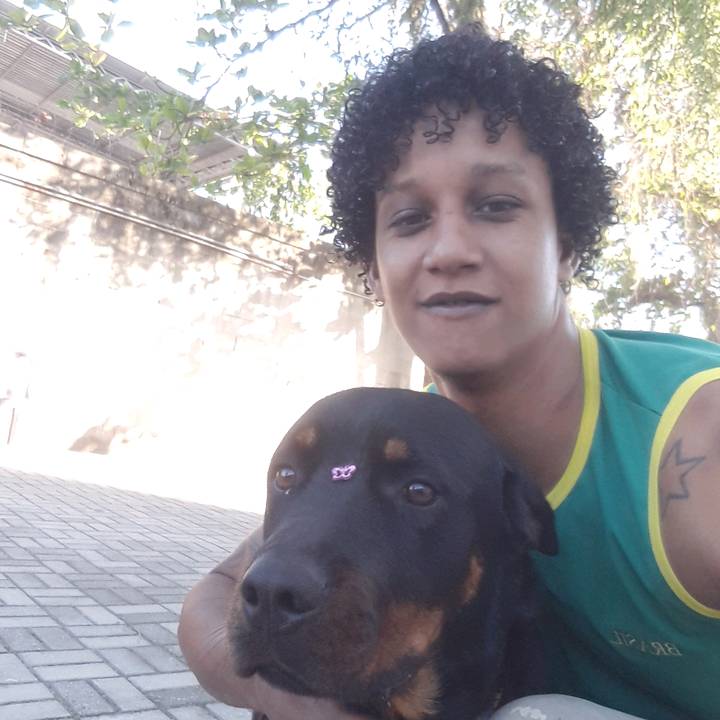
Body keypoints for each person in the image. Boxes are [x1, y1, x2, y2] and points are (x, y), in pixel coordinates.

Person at [178, 25, 720, 720]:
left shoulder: (694, 449)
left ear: (567, 246)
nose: (449, 250)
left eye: (496, 206)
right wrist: (306, 698)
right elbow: (218, 596)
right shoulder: (411, 444)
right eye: (409, 219)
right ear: (375, 265)